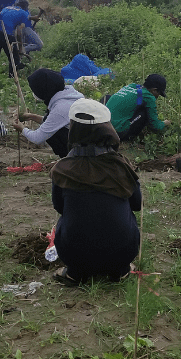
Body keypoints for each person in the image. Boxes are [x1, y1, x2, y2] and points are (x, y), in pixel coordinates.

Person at [50, 98, 141, 285]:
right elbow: (137, 204)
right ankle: (121, 270)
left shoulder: (62, 168)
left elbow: (59, 207)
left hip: (75, 253)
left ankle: (75, 273)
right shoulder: (122, 167)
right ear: (107, 128)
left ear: (73, 129)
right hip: (122, 252)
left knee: (65, 221)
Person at [10, 68, 83, 157]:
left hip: (85, 150)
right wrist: (31, 116)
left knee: (53, 134)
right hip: (87, 142)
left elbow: (37, 138)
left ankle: (71, 160)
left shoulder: (61, 107)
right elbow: (56, 122)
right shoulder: (70, 95)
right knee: (53, 129)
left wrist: (22, 129)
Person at [105, 74, 171, 141]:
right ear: (154, 90)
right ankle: (128, 138)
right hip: (118, 132)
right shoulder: (149, 97)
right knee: (144, 113)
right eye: (159, 94)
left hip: (104, 127)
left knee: (108, 97)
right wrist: (165, 123)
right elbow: (155, 126)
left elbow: (137, 103)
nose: (157, 97)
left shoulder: (132, 86)